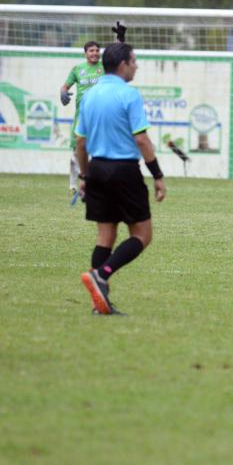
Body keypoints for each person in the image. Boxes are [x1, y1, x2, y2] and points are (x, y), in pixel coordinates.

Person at [75, 39, 167, 315]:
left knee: (105, 236)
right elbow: (141, 139)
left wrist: (84, 175)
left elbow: (80, 143)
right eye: (134, 62)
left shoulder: (89, 95)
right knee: (142, 234)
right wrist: (158, 176)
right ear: (123, 65)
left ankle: (99, 303)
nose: (136, 67)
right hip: (124, 171)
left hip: (97, 171)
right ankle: (101, 275)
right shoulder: (129, 95)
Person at [60, 41, 104, 198]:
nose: (94, 53)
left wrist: (119, 39)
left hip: (100, 115)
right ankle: (72, 185)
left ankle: (89, 184)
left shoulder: (105, 67)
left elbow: (118, 56)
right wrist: (63, 93)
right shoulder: (78, 69)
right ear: (85, 53)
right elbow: (65, 86)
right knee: (76, 151)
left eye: (97, 50)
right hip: (82, 115)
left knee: (97, 151)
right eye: (91, 50)